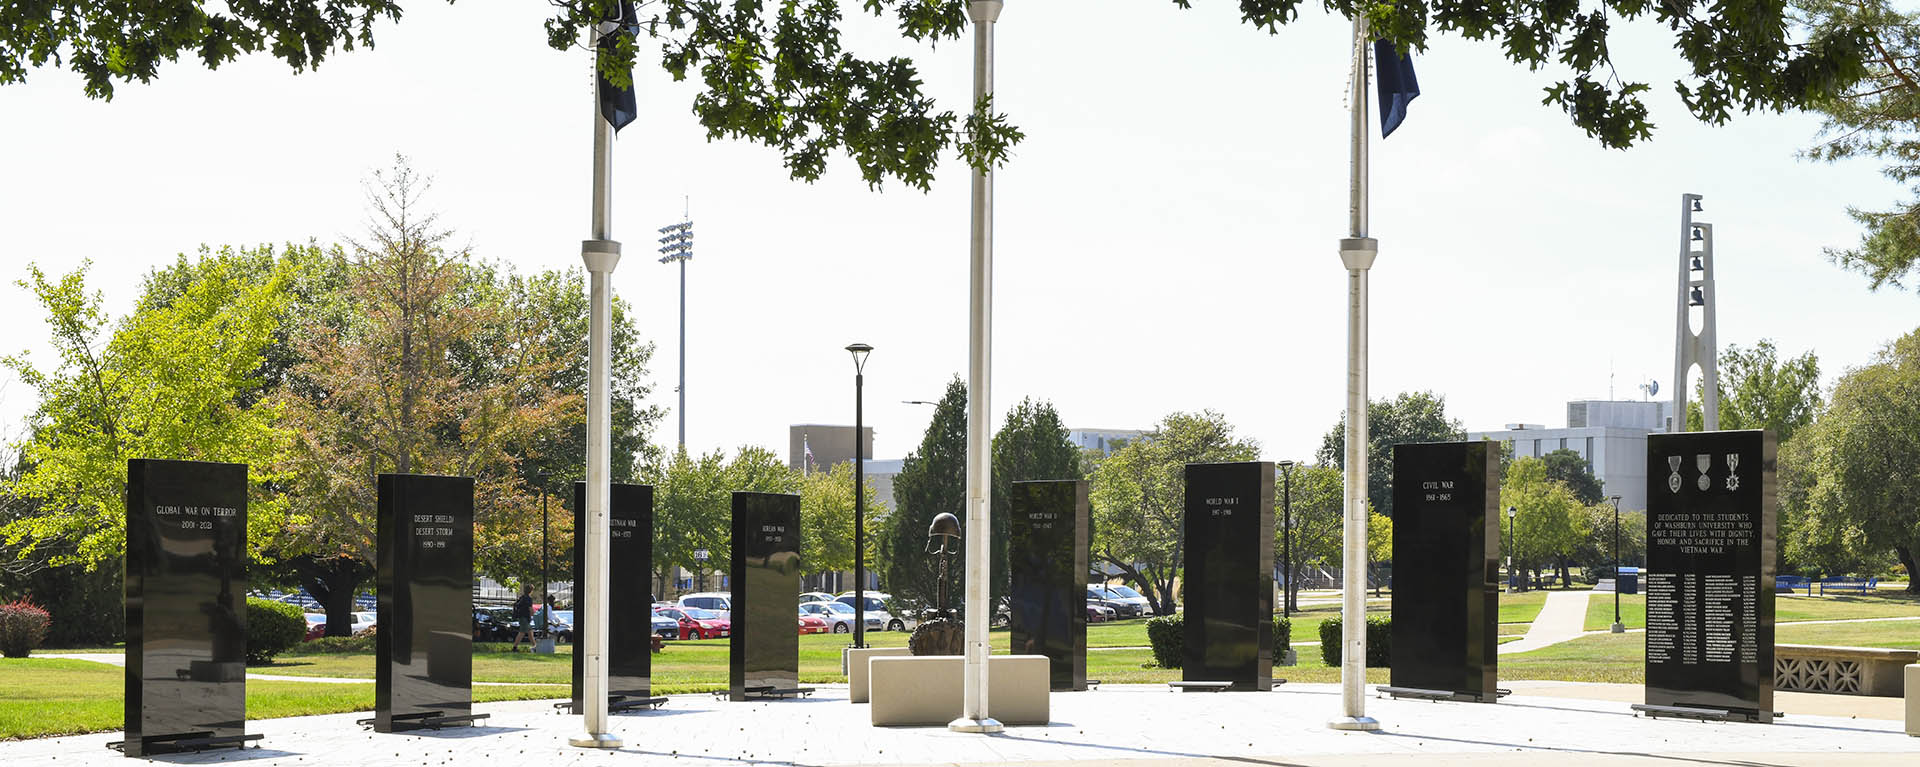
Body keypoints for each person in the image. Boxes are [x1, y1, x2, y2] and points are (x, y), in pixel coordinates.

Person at [510, 585, 534, 652]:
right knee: (522, 632)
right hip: (525, 618)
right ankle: (514, 647)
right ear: (531, 591)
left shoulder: (522, 597)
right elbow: (530, 609)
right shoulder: (528, 598)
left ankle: (535, 646)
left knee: (530, 632)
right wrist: (534, 615)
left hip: (521, 617)